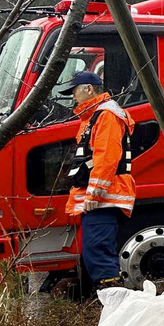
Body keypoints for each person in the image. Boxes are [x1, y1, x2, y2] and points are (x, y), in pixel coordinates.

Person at [61, 71, 136, 291]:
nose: (72, 96)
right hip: (102, 197)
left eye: (74, 91)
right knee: (96, 252)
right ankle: (110, 303)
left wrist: (94, 193)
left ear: (88, 89)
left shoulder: (105, 115)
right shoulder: (95, 116)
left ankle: (114, 304)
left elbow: (106, 157)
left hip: (103, 199)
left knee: (98, 254)